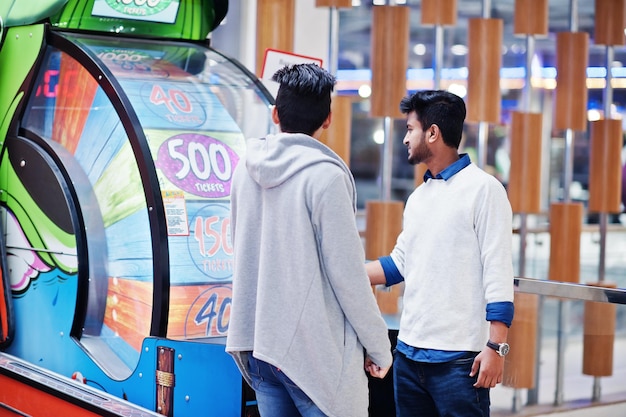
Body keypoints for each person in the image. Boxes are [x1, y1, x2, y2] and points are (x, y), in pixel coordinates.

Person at [226, 63, 392, 417]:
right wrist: (379, 347)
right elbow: (347, 276)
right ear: (328, 119)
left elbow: (238, 247)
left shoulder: (244, 168)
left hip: (258, 342)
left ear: (275, 114)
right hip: (311, 353)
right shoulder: (325, 177)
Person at [366, 90, 515, 417]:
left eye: (410, 129)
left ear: (432, 133)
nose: (406, 139)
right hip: (407, 355)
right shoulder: (419, 196)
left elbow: (498, 273)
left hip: (458, 361)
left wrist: (495, 347)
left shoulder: (484, 190)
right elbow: (399, 263)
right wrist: (343, 272)